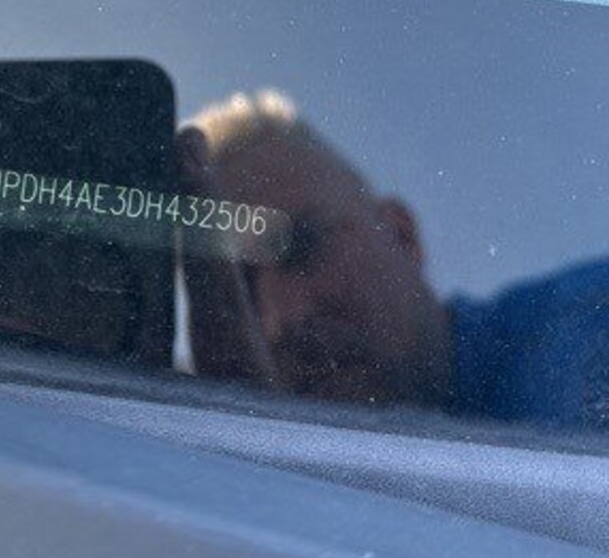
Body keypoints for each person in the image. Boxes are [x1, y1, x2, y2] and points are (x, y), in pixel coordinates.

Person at [179, 90, 609, 428]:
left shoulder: (593, 334)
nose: (282, 318)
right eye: (240, 289)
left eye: (302, 244)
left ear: (402, 235)